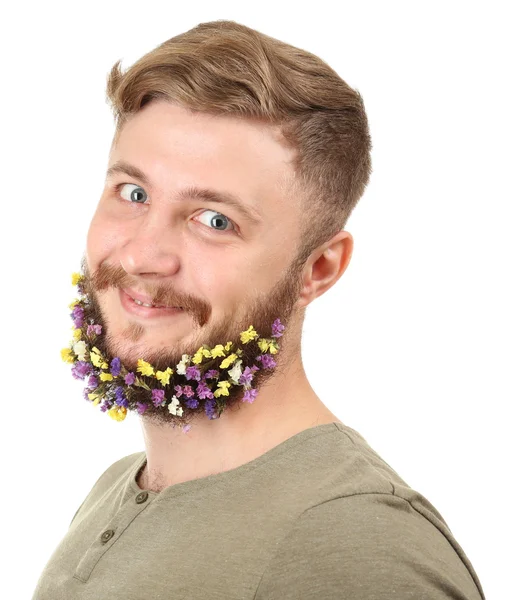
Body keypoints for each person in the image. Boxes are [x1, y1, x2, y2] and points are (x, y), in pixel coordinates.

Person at [32, 19, 485, 600]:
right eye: (134, 193)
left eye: (216, 220)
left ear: (317, 269)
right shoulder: (117, 490)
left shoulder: (356, 544)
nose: (144, 255)